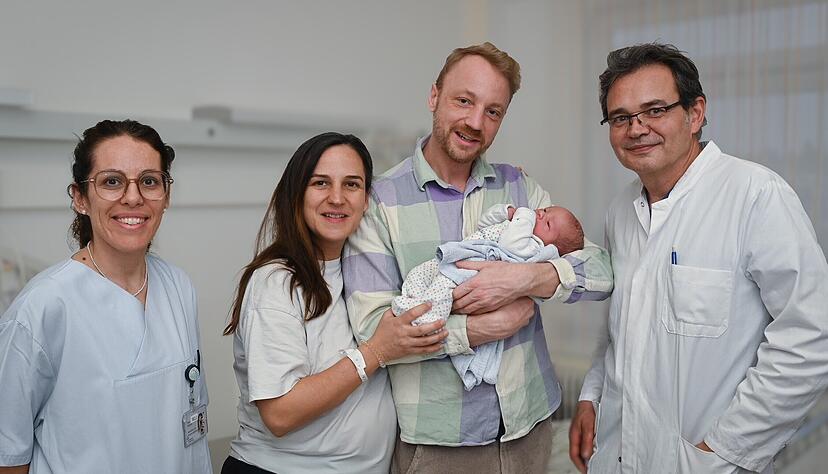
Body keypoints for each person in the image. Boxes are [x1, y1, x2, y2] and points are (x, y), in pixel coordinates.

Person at [344, 42, 614, 474]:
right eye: (464, 101)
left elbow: (601, 270)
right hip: (439, 443)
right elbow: (373, 328)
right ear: (434, 97)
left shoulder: (521, 189)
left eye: (493, 111)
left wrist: (521, 280)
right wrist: (474, 330)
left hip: (530, 425)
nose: (475, 122)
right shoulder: (380, 202)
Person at [569, 43, 828, 474]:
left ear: (695, 113)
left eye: (654, 110)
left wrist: (723, 450)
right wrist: (589, 397)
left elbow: (812, 335)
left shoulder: (756, 195)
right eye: (620, 117)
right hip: (615, 454)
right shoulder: (620, 211)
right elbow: (619, 328)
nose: (636, 129)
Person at [221, 132, 448, 474]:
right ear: (296, 194)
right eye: (321, 183)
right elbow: (280, 414)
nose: (337, 198)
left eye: (352, 184)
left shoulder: (366, 271)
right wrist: (376, 352)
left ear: (367, 199)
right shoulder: (276, 282)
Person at [0, 119, 212, 473]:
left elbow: (191, 420)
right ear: (80, 198)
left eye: (149, 181)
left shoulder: (178, 286)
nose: (133, 197)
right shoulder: (44, 307)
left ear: (166, 196)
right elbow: (9, 455)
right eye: (112, 182)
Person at [393, 203, 584, 390]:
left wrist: (524, 215)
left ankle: (426, 324)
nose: (541, 215)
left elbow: (511, 245)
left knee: (442, 290)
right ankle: (410, 303)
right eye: (545, 210)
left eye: (548, 224)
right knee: (420, 274)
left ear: (552, 245)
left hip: (473, 271)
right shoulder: (518, 225)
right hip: (464, 255)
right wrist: (505, 211)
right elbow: (484, 223)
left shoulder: (533, 246)